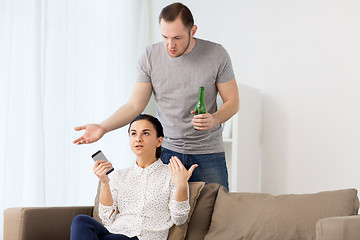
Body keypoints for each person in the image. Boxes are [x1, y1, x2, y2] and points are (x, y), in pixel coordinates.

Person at [73, 2, 239, 190]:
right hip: (166, 152)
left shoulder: (216, 54)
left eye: (177, 37)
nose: (170, 45)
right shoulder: (150, 56)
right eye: (165, 37)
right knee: (167, 216)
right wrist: (103, 127)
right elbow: (135, 105)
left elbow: (232, 102)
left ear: (193, 31)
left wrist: (214, 119)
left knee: (217, 212)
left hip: (208, 152)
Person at [71, 114, 197, 240]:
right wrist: (104, 182)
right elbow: (107, 219)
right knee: (81, 220)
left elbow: (179, 219)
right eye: (133, 134)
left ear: (159, 141)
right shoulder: (119, 176)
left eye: (145, 133)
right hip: (114, 234)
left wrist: (181, 185)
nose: (138, 139)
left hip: (144, 237)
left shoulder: (173, 174)